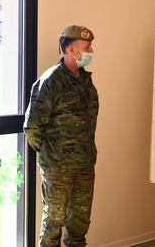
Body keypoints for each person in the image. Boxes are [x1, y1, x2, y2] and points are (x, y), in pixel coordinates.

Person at [24, 25, 99, 247]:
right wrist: (52, 154)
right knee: (54, 222)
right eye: (87, 47)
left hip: (84, 164)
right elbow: (32, 127)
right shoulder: (50, 81)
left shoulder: (86, 80)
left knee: (80, 221)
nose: (91, 51)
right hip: (58, 167)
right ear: (71, 50)